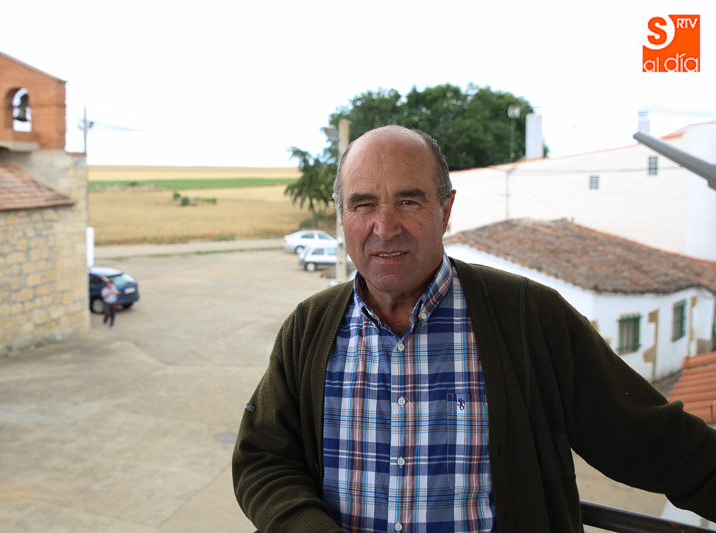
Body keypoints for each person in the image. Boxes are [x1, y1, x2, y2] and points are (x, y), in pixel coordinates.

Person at [232, 126, 716, 532]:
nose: (384, 226)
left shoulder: (531, 319)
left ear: (445, 210)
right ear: (343, 217)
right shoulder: (309, 328)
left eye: (408, 201)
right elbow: (262, 459)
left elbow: (655, 442)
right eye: (362, 205)